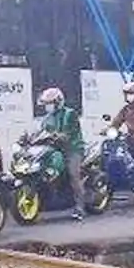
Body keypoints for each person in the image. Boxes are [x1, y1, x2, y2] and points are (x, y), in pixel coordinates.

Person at [38, 87, 86, 220]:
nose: (47, 106)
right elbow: (41, 132)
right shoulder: (47, 118)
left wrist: (56, 135)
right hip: (55, 149)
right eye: (46, 104)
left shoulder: (70, 114)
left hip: (73, 149)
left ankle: (80, 207)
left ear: (58, 102)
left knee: (73, 175)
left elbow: (68, 134)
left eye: (50, 103)